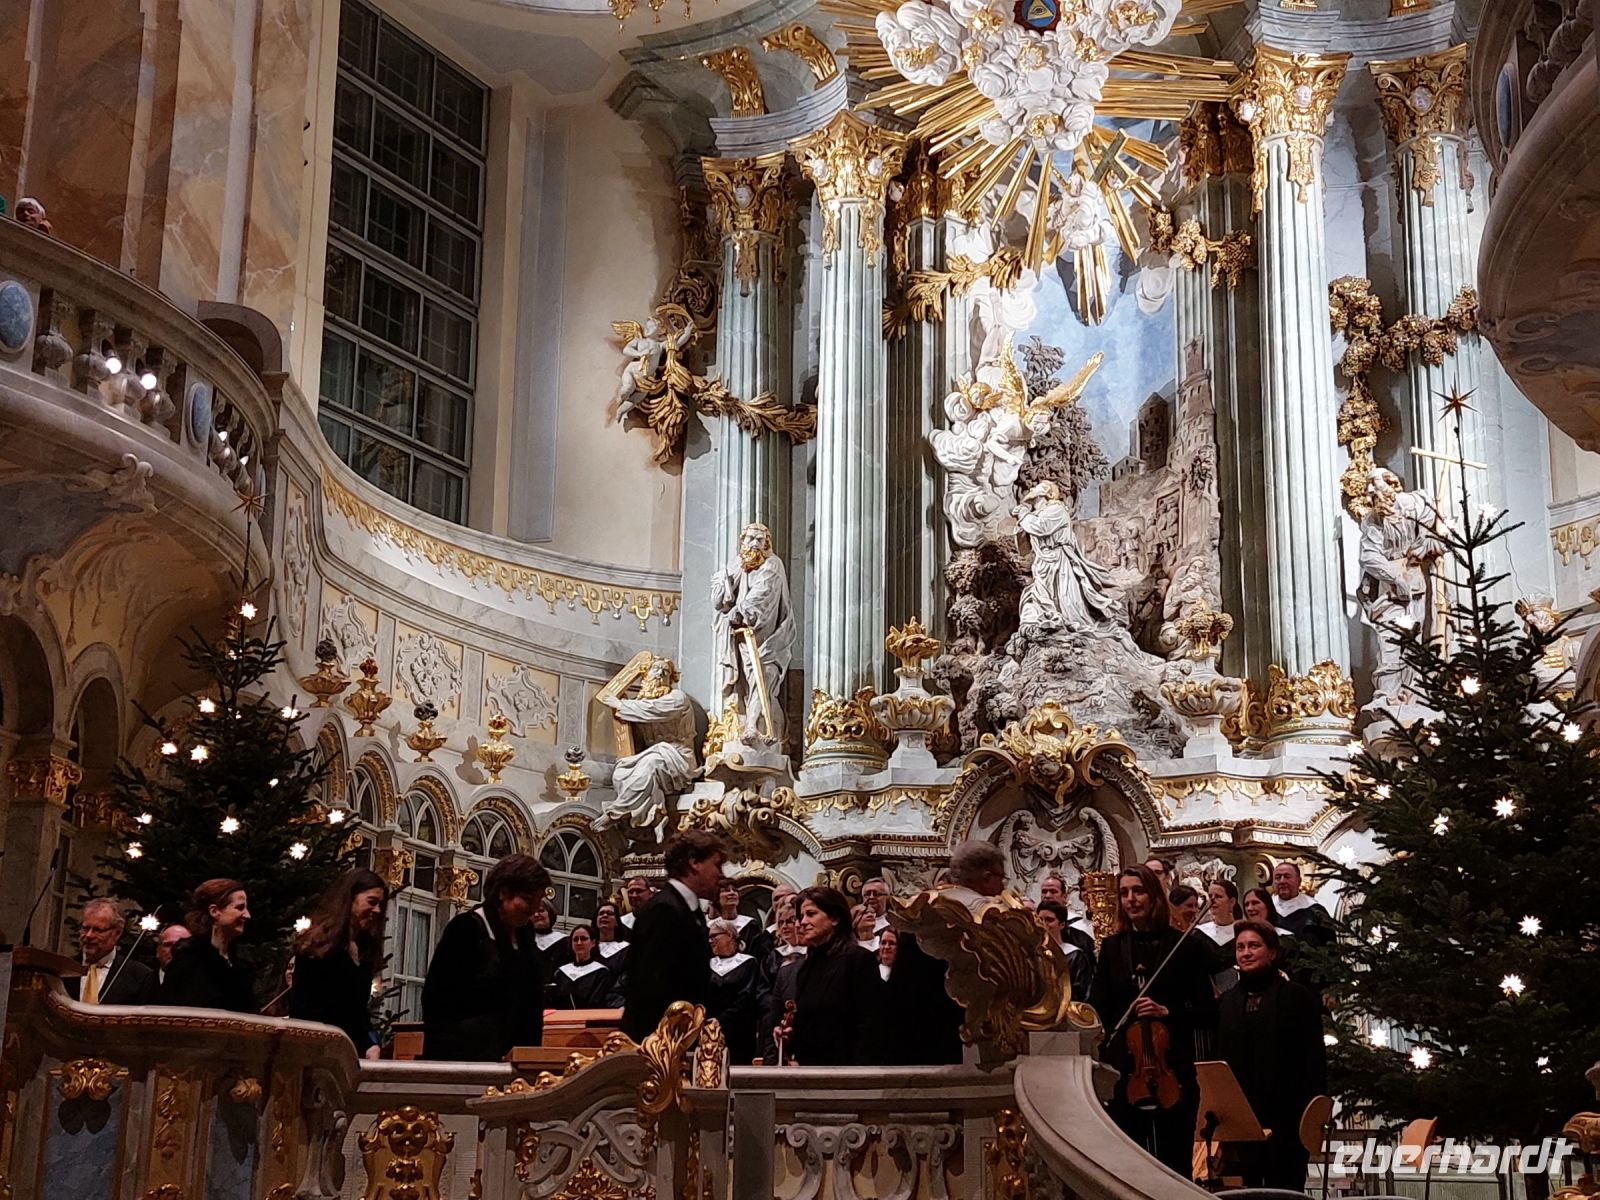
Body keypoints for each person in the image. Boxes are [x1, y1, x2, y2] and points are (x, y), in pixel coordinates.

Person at [1090, 865, 1217, 1178]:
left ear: (1154, 896)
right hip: (1125, 1073)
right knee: (1128, 1169)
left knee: (1174, 1169)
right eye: (1124, 893)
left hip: (1173, 1070)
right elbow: (1099, 1009)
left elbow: (1208, 1011)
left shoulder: (1185, 945)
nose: (1131, 899)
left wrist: (1167, 1012)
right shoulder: (1112, 948)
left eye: (1139, 891)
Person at [1216, 922, 1327, 1190]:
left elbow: (1314, 1059)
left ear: (1273, 952)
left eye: (1254, 945)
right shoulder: (1226, 1002)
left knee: (1286, 1188)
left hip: (1287, 1117)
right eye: (1240, 947)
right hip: (1243, 1119)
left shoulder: (1297, 997)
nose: (1246, 953)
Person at [883, 840, 1006, 1065]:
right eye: (1001, 878)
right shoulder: (984, 914)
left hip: (910, 1036)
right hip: (961, 1034)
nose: (1002, 888)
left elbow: (900, 985)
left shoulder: (923, 907)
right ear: (986, 877)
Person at [422, 854, 548, 1060]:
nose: (535, 909)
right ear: (503, 893)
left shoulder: (525, 934)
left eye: (539, 900)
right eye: (527, 899)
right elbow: (437, 1002)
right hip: (468, 1058)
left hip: (517, 1058)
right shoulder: (466, 929)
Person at [622, 831, 726, 1041]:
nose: (720, 874)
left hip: (679, 1038)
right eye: (716, 865)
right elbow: (650, 987)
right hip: (660, 1043)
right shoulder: (663, 910)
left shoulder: (687, 908)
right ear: (694, 862)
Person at [289, 868, 388, 1058]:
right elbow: (305, 1010)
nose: (377, 910)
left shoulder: (365, 948)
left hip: (349, 1052)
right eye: (372, 902)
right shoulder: (319, 947)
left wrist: (370, 1044)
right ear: (350, 898)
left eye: (380, 905)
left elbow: (357, 1011)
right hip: (318, 1051)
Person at [783, 887, 884, 1066]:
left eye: (811, 914)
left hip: (847, 1073)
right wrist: (790, 1037)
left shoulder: (858, 960)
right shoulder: (806, 967)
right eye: (800, 917)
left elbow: (870, 1027)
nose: (801, 923)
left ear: (835, 918)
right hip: (809, 1071)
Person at [159, 879, 256, 1013]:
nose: (247, 915)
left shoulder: (242, 963)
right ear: (215, 911)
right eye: (240, 907)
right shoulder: (188, 960)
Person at [68, 899, 154, 1005]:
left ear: (117, 933)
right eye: (85, 928)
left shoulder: (140, 976)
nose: (89, 935)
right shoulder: (63, 969)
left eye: (98, 930)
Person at [706, 918, 765, 1064]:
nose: (710, 940)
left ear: (730, 935)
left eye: (714, 936)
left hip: (738, 1032)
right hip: (708, 1030)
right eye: (709, 937)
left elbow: (747, 996)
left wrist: (722, 1020)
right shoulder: (708, 965)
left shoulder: (748, 963)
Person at [549, 926, 619, 1008]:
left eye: (583, 939)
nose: (579, 943)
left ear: (593, 943)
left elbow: (598, 1001)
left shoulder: (602, 973)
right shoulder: (560, 973)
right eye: (575, 939)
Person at [1037, 900, 1094, 1000]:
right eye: (1039, 920)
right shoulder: (1033, 954)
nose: (1043, 924)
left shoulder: (1075, 956)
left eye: (1049, 920)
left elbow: (1080, 992)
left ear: (1062, 924)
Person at [1195, 881, 1240, 986]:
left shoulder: (1242, 932)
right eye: (1210, 896)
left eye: (1218, 896)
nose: (1212, 900)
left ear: (1232, 901)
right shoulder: (1199, 933)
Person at [532, 900, 571, 972]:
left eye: (541, 910)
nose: (536, 915)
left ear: (550, 914)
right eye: (532, 911)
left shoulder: (566, 943)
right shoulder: (523, 941)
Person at [594, 902, 630, 978]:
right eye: (601, 913)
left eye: (610, 913)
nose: (605, 915)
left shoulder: (626, 950)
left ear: (617, 922)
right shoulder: (589, 948)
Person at [156, 923, 190, 987]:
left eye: (181, 945)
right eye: (168, 945)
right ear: (158, 950)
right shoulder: (140, 985)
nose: (174, 950)